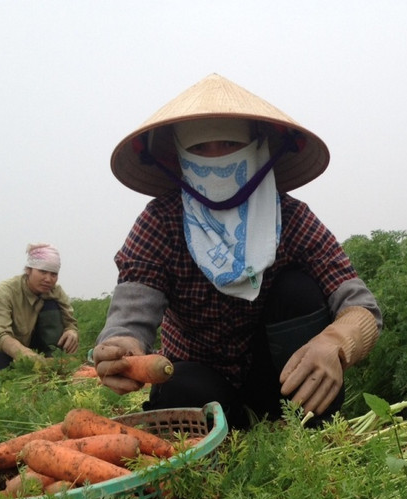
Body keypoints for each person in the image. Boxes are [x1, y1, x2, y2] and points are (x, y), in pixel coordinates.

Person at [91, 73, 382, 430]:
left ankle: (307, 428)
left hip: (277, 376)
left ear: (257, 149)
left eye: (229, 144)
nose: (216, 158)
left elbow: (361, 306)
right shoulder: (162, 221)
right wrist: (121, 346)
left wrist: (336, 343)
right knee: (179, 388)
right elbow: (132, 312)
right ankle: (224, 432)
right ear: (180, 156)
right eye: (200, 148)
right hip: (201, 376)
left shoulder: (290, 218)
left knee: (298, 290)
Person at [0, 243, 79, 370]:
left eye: (53, 274)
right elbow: (1, 334)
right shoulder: (4, 292)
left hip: (34, 339)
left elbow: (70, 322)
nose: (48, 279)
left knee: (51, 305)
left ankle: (53, 356)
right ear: (28, 270)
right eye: (43, 271)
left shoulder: (56, 291)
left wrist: (71, 332)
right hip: (2, 342)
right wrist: (28, 356)